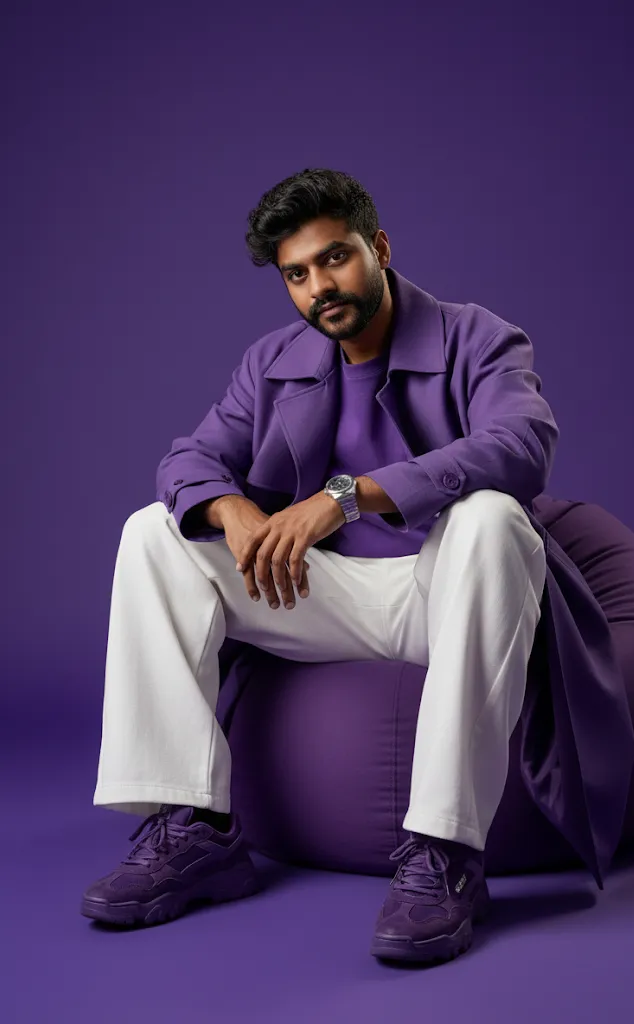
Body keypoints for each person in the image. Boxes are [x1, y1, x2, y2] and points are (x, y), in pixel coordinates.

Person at [82, 167, 555, 964]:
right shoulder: (272, 361)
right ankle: (196, 829)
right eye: (296, 275)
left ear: (377, 247)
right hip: (321, 595)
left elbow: (520, 445)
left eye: (333, 260)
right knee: (153, 532)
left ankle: (443, 856)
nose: (318, 288)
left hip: (447, 588)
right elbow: (191, 457)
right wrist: (231, 510)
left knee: (490, 520)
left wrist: (345, 497)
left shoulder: (479, 337)